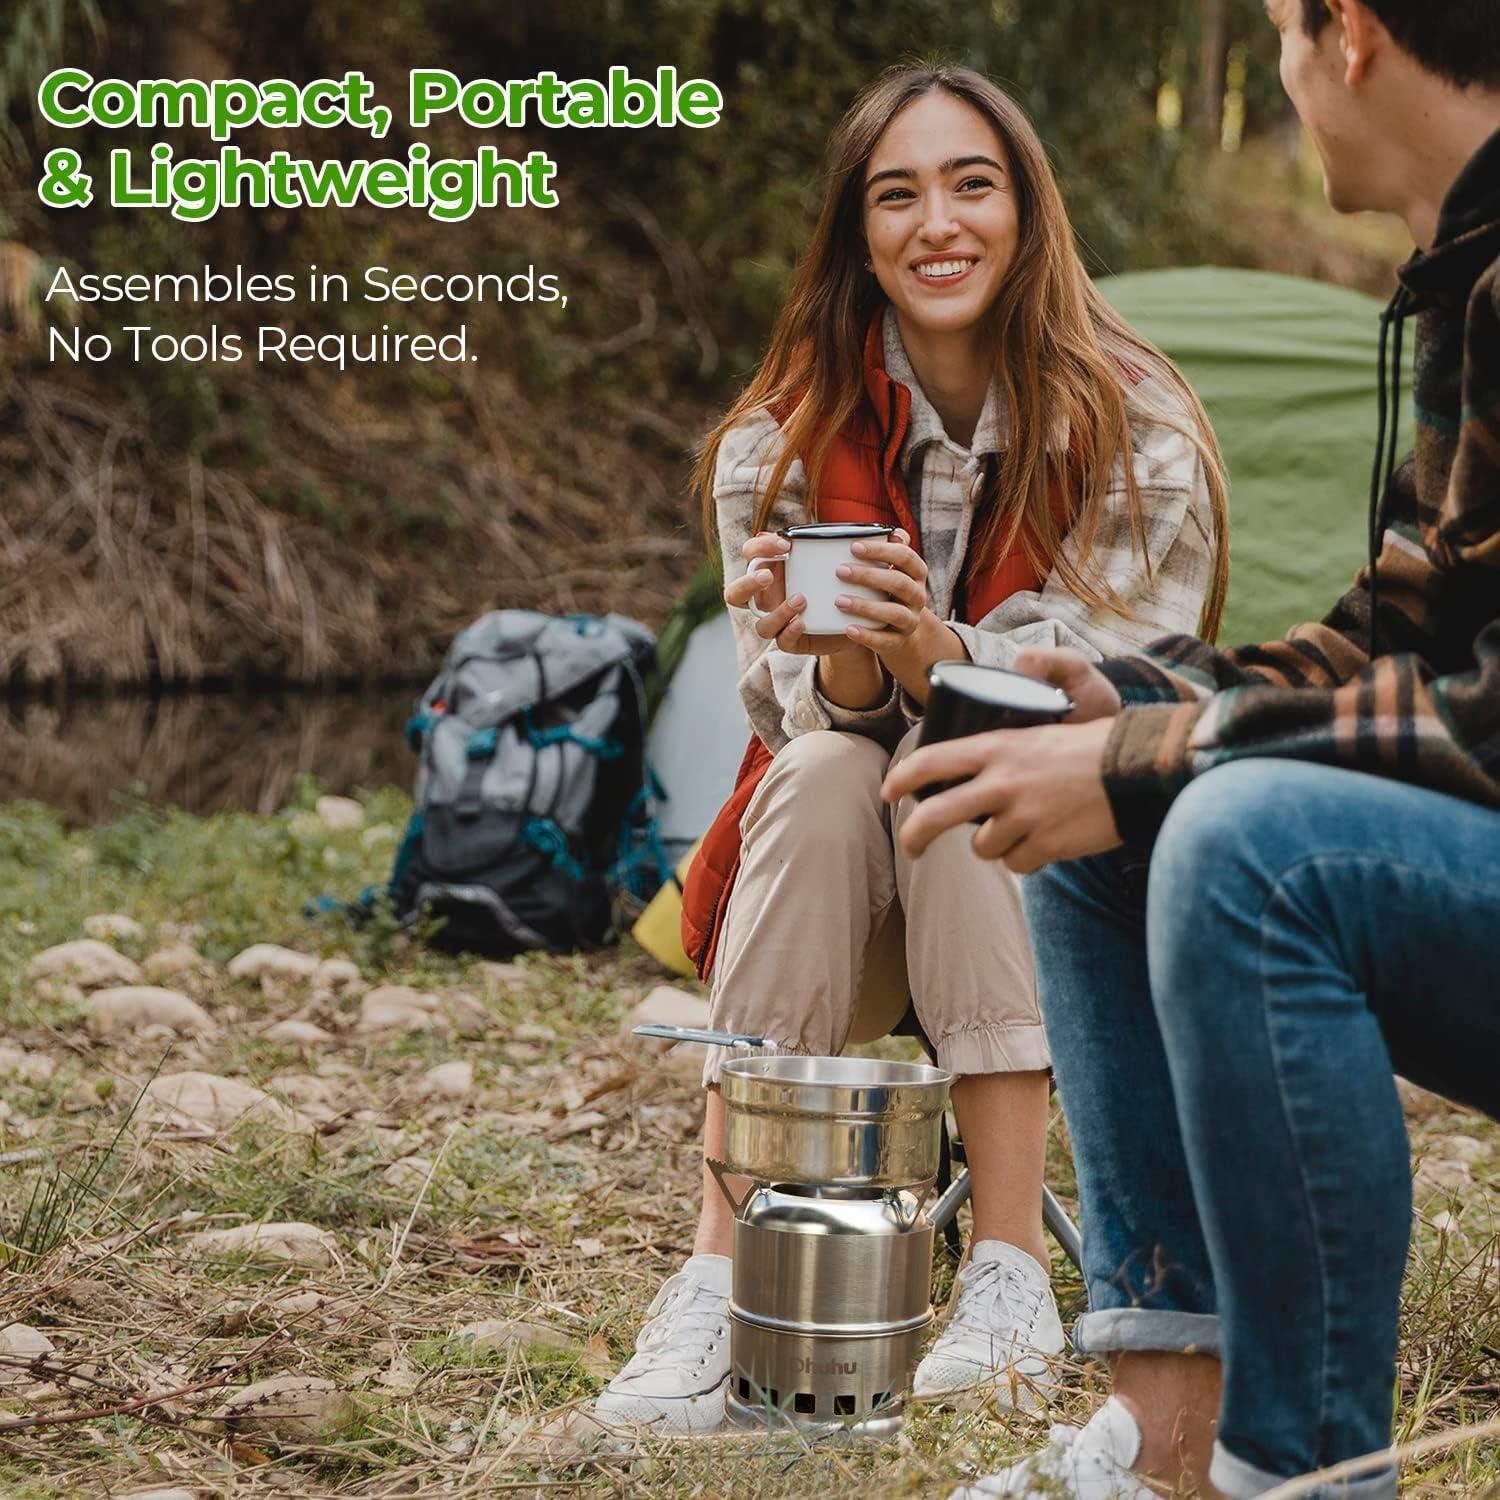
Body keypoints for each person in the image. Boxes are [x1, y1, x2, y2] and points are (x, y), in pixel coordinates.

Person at [885, 3, 1500, 1496]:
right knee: (1119, 807)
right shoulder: (1470, 281)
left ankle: (1296, 1472)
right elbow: (1406, 622)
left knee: (1233, 838)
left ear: (1347, 34)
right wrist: (1133, 702)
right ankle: (1168, 1441)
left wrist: (1167, 752)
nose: (1290, 79)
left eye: (1285, 33)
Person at [595, 63, 1230, 1435]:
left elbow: (1110, 715)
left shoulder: (1140, 433)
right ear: (856, 232)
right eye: (897, 194)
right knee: (830, 769)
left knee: (974, 761)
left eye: (971, 184)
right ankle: (716, 1285)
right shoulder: (776, 446)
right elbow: (794, 732)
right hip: (840, 892)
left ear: (1026, 212)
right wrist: (840, 653)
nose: (936, 223)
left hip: (1072, 889)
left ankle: (1006, 1268)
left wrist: (940, 660)